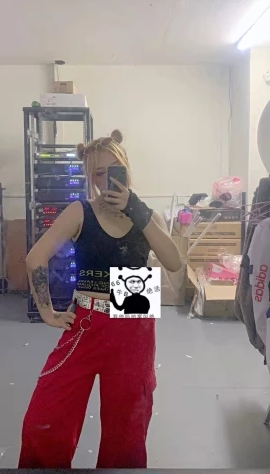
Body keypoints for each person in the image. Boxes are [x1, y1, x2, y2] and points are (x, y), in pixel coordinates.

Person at [19, 129, 182, 469]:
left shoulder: (147, 216)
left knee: (128, 426)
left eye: (113, 170)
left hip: (135, 312)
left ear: (126, 169)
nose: (106, 180)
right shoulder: (81, 211)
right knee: (47, 417)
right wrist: (48, 312)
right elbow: (35, 258)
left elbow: (173, 262)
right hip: (86, 321)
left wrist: (138, 212)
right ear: (89, 178)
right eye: (97, 174)